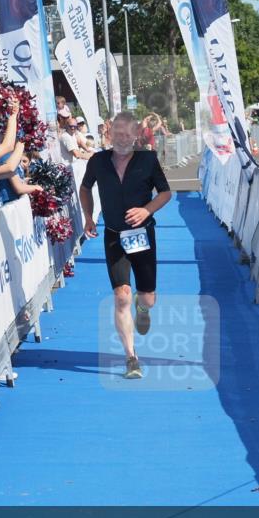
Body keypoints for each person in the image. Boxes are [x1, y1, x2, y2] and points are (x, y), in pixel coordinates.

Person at [80, 112, 172, 379]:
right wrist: (89, 216)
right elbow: (85, 189)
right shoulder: (98, 161)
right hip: (113, 235)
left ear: (135, 136)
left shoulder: (148, 160)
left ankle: (142, 308)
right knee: (121, 296)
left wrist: (146, 211)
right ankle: (131, 357)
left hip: (142, 236)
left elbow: (165, 192)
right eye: (116, 133)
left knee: (147, 297)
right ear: (110, 134)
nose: (121, 138)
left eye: (126, 134)